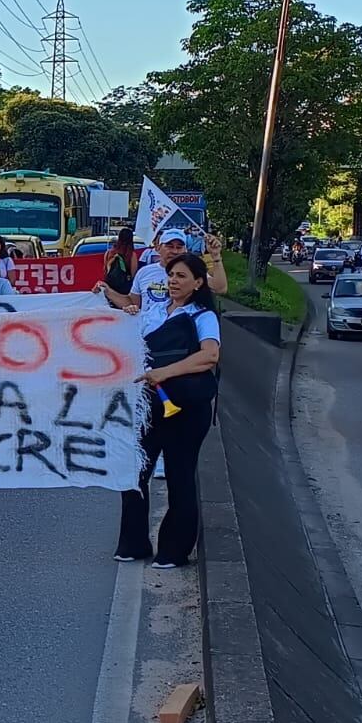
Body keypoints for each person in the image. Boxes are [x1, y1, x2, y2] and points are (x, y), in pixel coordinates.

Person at [116, 252, 221, 569]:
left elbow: (210, 356)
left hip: (187, 409)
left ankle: (174, 550)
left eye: (181, 276)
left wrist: (165, 372)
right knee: (135, 474)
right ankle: (134, 543)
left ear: (198, 282)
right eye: (171, 275)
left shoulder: (203, 316)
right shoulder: (153, 312)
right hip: (150, 406)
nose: (173, 281)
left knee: (179, 476)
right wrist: (128, 316)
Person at [104, 228, 136, 298]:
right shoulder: (131, 255)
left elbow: (105, 270)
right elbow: (133, 274)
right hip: (124, 289)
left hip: (110, 287)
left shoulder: (109, 253)